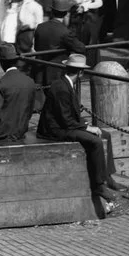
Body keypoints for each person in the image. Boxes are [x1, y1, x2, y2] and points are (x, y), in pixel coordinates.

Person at [36, 52, 119, 219]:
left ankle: (107, 175)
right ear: (80, 73)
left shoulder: (67, 85)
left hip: (67, 125)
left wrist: (86, 125)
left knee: (106, 135)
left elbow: (70, 116)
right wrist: (87, 128)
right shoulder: (60, 88)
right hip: (56, 130)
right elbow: (65, 120)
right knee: (95, 142)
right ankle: (98, 184)